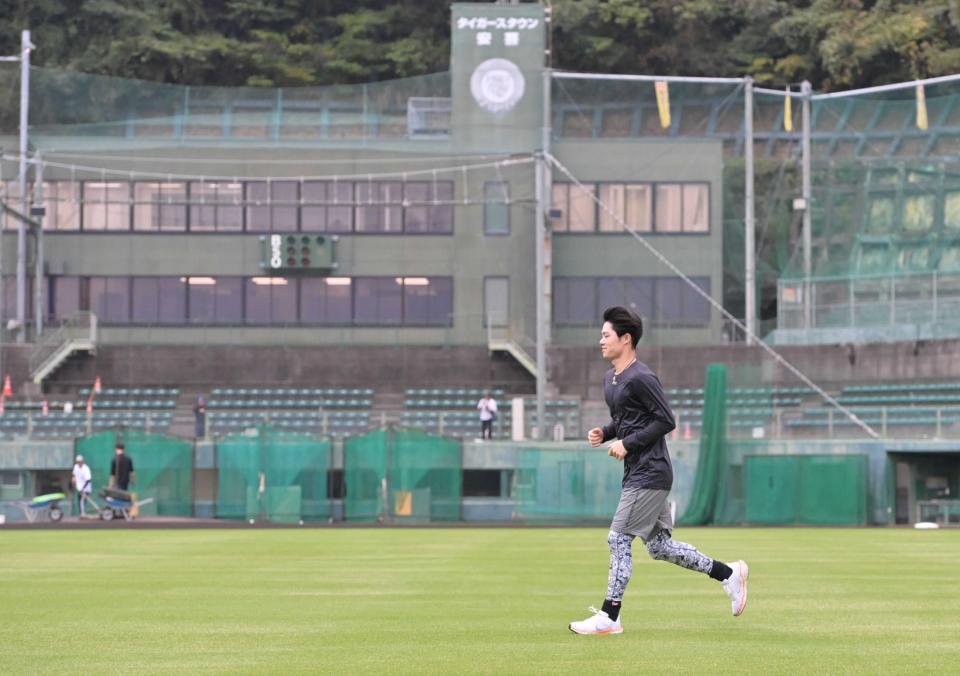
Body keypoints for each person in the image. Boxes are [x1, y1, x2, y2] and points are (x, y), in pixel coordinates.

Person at [569, 306, 748, 635]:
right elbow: (628, 420)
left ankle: (610, 616)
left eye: (606, 335)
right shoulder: (612, 380)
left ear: (626, 339)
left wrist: (628, 443)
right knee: (660, 547)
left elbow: (666, 420)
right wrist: (606, 433)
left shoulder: (642, 377)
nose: (601, 341)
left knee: (618, 539)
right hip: (641, 472)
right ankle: (729, 574)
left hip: (650, 472)